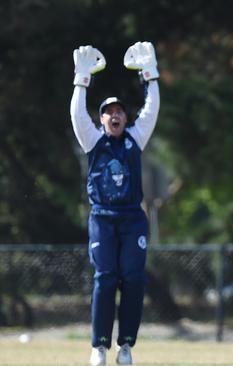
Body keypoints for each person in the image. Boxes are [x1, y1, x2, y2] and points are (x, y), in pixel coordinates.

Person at [70, 42, 160, 366]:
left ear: (126, 117)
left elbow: (151, 110)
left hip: (132, 218)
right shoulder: (93, 141)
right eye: (108, 111)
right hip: (102, 218)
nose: (115, 114)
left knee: (133, 278)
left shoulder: (135, 139)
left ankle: (126, 345)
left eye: (120, 110)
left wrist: (151, 77)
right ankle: (99, 346)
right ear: (102, 119)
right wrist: (81, 79)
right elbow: (77, 114)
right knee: (105, 277)